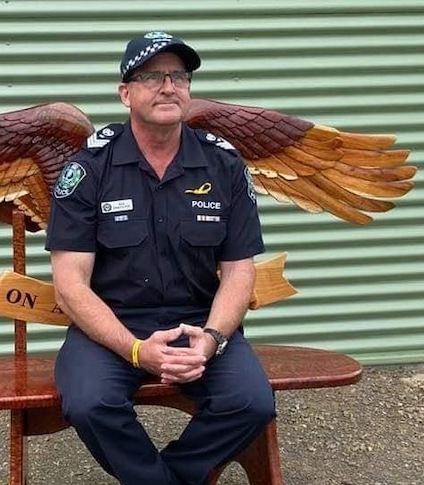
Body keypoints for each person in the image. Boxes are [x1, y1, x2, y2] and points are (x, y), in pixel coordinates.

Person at [45, 31, 276, 485]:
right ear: (125, 93)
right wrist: (134, 349)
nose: (168, 87)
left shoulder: (223, 164)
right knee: (89, 403)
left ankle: (164, 476)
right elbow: (69, 284)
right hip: (111, 326)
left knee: (252, 402)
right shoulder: (89, 168)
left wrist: (210, 339)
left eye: (179, 76)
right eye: (152, 76)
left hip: (197, 324)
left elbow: (238, 271)